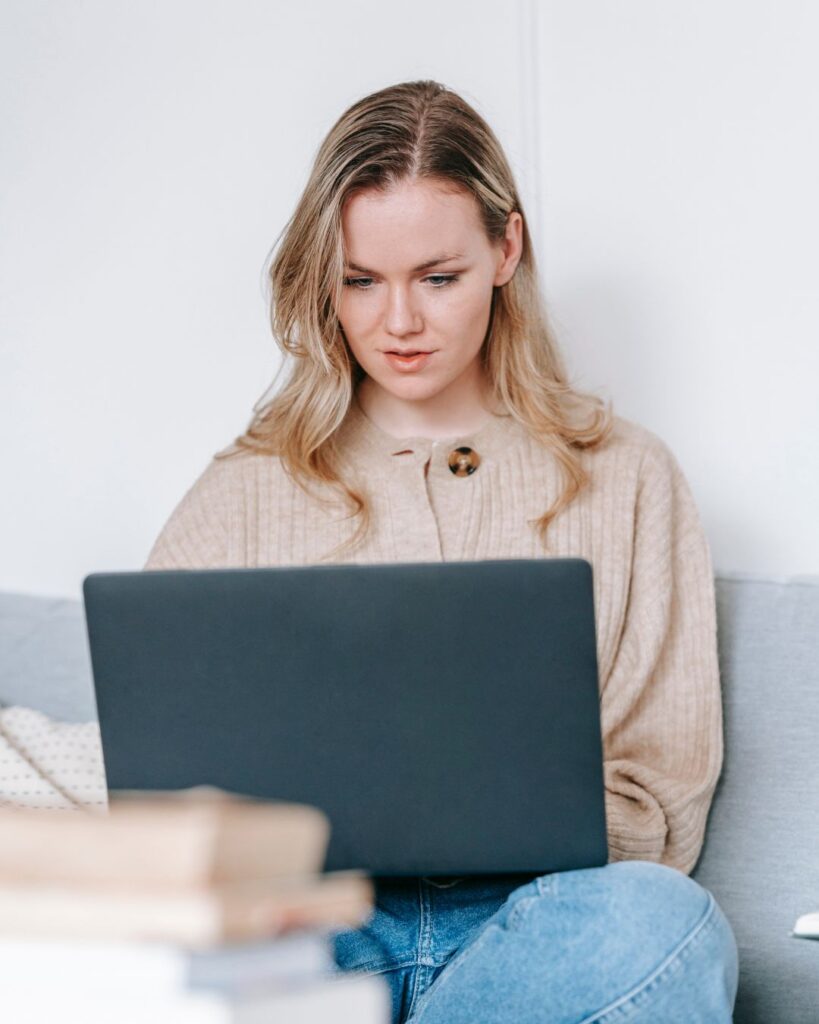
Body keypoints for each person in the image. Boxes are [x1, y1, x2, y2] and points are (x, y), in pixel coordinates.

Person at [143, 80, 739, 1022]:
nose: (399, 324)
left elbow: (659, 778)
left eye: (438, 276)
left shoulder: (626, 476)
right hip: (317, 926)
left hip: (542, 919)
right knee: (142, 955)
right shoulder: (247, 486)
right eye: (360, 281)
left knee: (666, 926)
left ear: (506, 250)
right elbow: (167, 772)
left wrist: (522, 827)